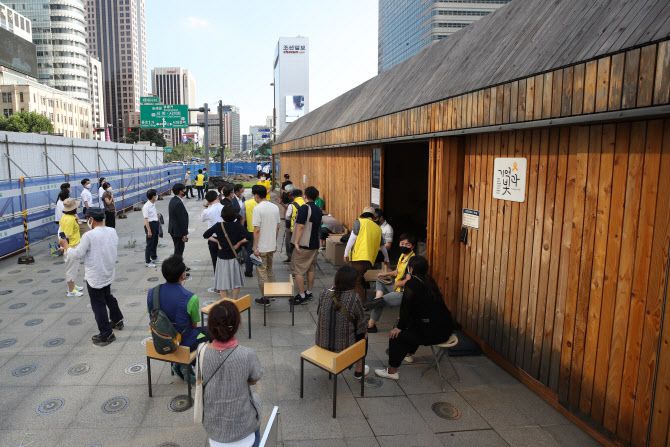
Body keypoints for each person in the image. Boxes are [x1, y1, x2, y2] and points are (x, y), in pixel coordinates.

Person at [375, 256, 454, 380]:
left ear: (410, 269)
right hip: (446, 329)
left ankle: (392, 371)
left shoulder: (412, 283)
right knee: (413, 326)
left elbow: (406, 308)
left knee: (395, 336)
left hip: (433, 334)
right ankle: (409, 353)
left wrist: (399, 327)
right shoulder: (429, 280)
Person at [201, 300, 262, 446]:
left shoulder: (201, 353)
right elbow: (255, 377)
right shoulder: (247, 354)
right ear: (236, 325)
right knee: (256, 403)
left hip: (213, 427)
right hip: (244, 427)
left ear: (211, 326)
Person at [60, 208, 123, 347]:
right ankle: (117, 319)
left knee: (98, 305)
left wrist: (66, 247)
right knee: (108, 296)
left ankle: (107, 334)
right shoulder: (112, 231)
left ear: (91, 219)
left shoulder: (89, 236)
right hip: (108, 272)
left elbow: (77, 254)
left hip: (95, 276)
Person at [147, 254, 208, 381]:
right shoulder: (191, 298)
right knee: (209, 333)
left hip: (161, 339)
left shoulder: (152, 292)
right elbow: (194, 325)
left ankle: (179, 365)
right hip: (183, 341)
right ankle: (185, 364)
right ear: (183, 275)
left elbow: (152, 317)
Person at [315, 265, 369, 379]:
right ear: (353, 282)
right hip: (343, 350)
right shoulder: (354, 298)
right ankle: (359, 371)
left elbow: (319, 312)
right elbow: (362, 323)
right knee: (363, 333)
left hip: (321, 345)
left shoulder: (324, 293)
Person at [366, 234, 417, 333]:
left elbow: (409, 280)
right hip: (395, 287)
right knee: (380, 279)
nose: (404, 246)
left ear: (413, 246)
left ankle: (370, 325)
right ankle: (377, 298)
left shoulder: (412, 260)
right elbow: (397, 272)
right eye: (402, 243)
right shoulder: (403, 255)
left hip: (403, 293)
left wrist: (398, 284)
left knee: (379, 302)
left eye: (407, 244)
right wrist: (385, 274)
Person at [344, 206, 389, 301]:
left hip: (358, 258)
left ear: (363, 214)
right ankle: (358, 299)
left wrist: (346, 253)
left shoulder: (359, 222)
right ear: (373, 216)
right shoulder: (378, 228)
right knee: (359, 278)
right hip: (369, 261)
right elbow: (383, 247)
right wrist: (386, 258)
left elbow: (352, 239)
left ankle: (362, 303)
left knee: (356, 281)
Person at [203, 206, 247, 300]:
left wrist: (218, 241)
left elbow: (205, 235)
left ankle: (225, 302)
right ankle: (234, 301)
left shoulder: (218, 225)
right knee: (236, 282)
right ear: (234, 216)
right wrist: (238, 243)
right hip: (234, 258)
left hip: (222, 258)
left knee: (222, 283)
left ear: (222, 216)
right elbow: (248, 237)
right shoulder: (237, 225)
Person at [290, 186, 323, 305]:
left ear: (305, 196)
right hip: (314, 244)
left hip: (304, 244)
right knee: (311, 268)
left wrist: (296, 242)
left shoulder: (304, 208)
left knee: (298, 270)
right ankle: (309, 292)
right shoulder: (318, 209)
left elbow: (300, 226)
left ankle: (302, 295)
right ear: (316, 197)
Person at [251, 184, 280, 305]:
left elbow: (256, 230)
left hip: (261, 247)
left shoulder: (257, 209)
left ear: (257, 195)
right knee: (269, 269)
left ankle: (266, 297)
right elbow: (278, 227)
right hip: (271, 245)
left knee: (261, 272)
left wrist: (255, 246)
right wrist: (274, 241)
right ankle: (272, 293)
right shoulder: (275, 207)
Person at [59, 198, 84, 297]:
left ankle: (72, 286)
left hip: (71, 246)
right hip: (72, 247)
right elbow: (66, 236)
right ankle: (71, 290)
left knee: (73, 268)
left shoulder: (65, 217)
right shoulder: (70, 219)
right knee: (71, 269)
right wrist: (65, 248)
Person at [201, 190, 224, 290]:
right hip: (225, 238)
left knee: (215, 262)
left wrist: (206, 206)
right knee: (225, 262)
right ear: (217, 197)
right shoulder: (224, 208)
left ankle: (219, 286)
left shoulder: (207, 211)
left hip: (213, 239)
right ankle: (227, 283)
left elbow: (202, 219)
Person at [283, 189, 304, 263]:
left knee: (289, 243)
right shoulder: (305, 203)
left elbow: (287, 216)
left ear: (293, 196)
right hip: (304, 227)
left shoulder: (292, 205)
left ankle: (290, 257)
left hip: (293, 228)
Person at [168, 183, 189, 257]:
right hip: (178, 231)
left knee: (178, 249)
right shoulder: (178, 203)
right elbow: (182, 220)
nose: (185, 191)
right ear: (180, 191)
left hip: (174, 229)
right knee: (179, 250)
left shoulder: (173, 200)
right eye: (184, 190)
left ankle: (178, 262)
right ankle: (176, 263)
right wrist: (185, 233)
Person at [143, 189, 160, 268]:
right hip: (150, 225)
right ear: (153, 196)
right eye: (156, 195)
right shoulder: (146, 206)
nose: (157, 196)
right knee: (149, 244)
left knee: (155, 242)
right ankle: (147, 261)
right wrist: (149, 231)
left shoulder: (153, 204)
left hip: (155, 224)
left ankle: (154, 257)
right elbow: (146, 219)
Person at [242, 192, 258, 278]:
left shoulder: (246, 203)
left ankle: (249, 271)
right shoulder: (264, 204)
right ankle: (261, 269)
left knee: (250, 251)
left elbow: (243, 218)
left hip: (250, 230)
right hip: (262, 231)